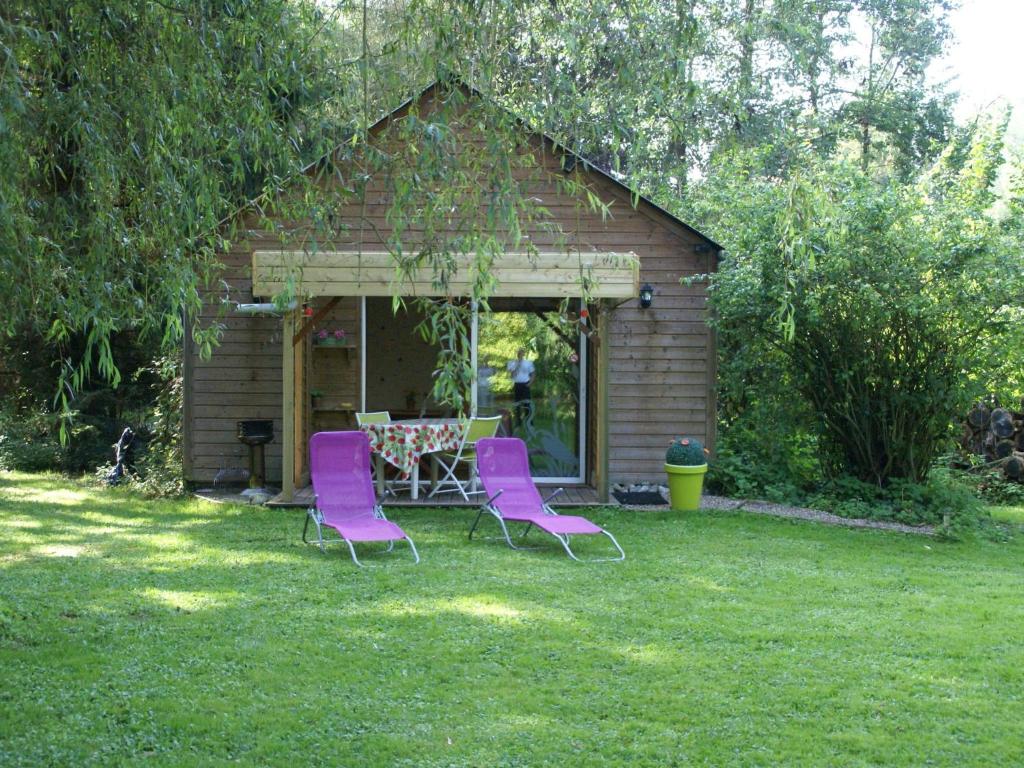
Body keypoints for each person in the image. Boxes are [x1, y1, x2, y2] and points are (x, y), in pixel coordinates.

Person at [506, 348, 535, 428]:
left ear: (524, 354)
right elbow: (512, 375)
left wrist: (529, 384)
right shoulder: (512, 363)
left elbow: (533, 374)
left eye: (522, 353)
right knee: (517, 404)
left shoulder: (528, 363)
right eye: (519, 353)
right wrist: (517, 365)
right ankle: (518, 422)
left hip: (525, 384)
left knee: (527, 404)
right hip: (517, 385)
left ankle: (529, 422)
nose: (520, 354)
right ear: (517, 354)